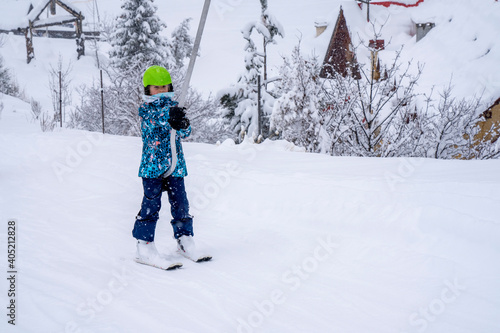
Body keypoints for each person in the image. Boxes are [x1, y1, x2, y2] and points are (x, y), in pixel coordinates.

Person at [132, 65, 209, 269]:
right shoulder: (146, 111)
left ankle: (185, 240)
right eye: (156, 88)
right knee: (151, 205)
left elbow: (185, 131)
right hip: (152, 167)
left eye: (165, 87)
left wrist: (181, 122)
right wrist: (170, 116)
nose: (161, 91)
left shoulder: (175, 108)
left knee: (181, 204)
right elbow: (156, 121)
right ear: (148, 90)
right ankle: (144, 245)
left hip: (175, 165)